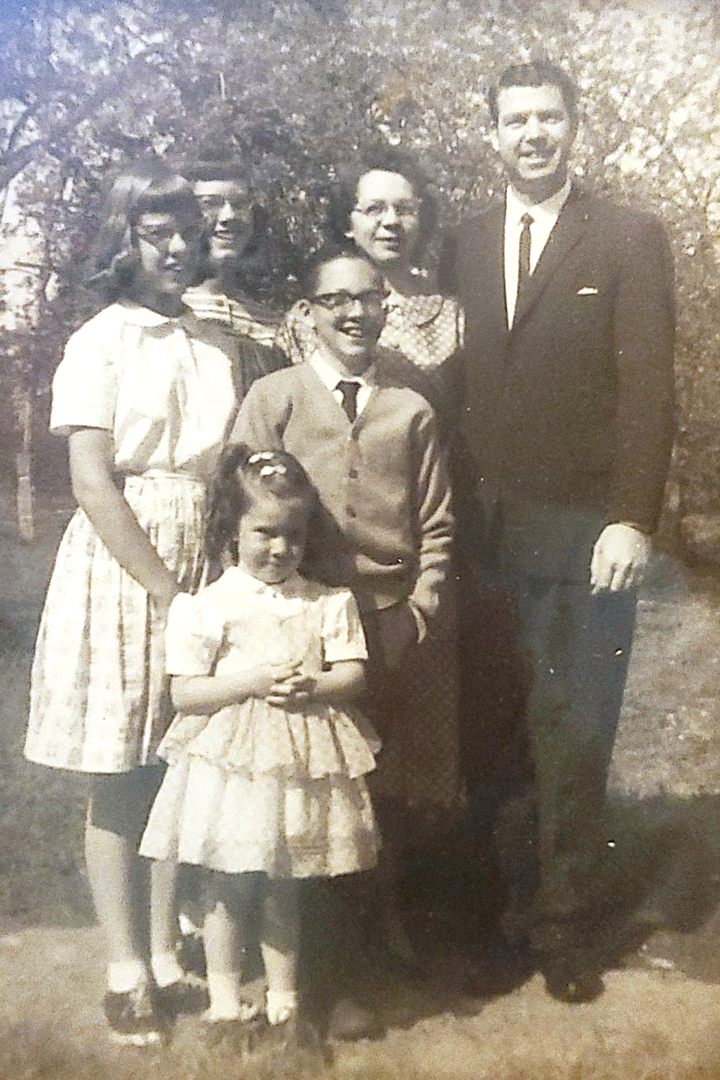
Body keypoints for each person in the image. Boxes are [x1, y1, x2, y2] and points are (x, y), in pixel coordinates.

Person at [441, 60, 676, 1000]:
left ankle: (567, 929)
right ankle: (505, 920)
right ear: (491, 135)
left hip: (585, 536)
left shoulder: (627, 237)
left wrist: (632, 517)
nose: (532, 133)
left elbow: (648, 388)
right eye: (515, 120)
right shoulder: (458, 243)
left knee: (575, 732)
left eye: (548, 117)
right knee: (495, 735)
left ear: (574, 126)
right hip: (480, 540)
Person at [24, 160, 242, 1045]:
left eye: (188, 231)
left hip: (204, 548)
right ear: (125, 242)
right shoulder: (100, 340)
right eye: (158, 235)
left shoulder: (215, 340)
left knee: (180, 765)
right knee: (121, 774)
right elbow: (90, 479)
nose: (178, 248)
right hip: (127, 561)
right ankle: (124, 967)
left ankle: (163, 948)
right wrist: (165, 590)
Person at [232, 241, 454, 1035]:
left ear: (385, 307)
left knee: (371, 797)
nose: (355, 313)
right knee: (302, 795)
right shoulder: (275, 398)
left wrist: (419, 607)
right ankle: (292, 974)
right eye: (337, 300)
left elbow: (436, 522)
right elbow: (239, 503)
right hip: (300, 622)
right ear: (309, 313)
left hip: (385, 620)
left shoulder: (410, 409)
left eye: (369, 298)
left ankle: (357, 968)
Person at [139, 446, 379, 1046]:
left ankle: (283, 1005)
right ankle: (224, 1005)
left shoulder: (326, 602)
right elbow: (186, 694)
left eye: (293, 534)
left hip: (295, 766)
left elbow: (353, 676)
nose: (279, 548)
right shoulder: (207, 607)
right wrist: (250, 682)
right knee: (226, 885)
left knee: (283, 883)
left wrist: (313, 685)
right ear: (233, 530)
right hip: (233, 770)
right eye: (264, 532)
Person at [279, 146, 462, 435]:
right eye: (374, 209)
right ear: (347, 223)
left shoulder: (450, 316)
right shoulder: (310, 317)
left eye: (405, 209)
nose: (391, 222)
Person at [181, 156, 287, 373]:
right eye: (210, 204)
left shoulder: (273, 324)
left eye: (239, 204)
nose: (229, 216)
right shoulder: (166, 312)